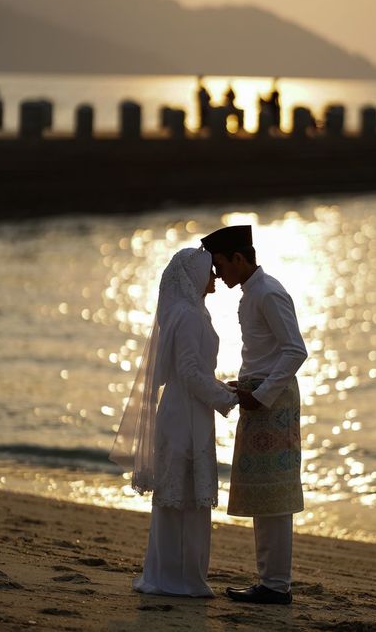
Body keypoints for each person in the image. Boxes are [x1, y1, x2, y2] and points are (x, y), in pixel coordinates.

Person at [110, 247, 237, 597]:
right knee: (183, 498)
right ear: (194, 276)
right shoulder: (190, 316)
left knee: (178, 497)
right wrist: (228, 397)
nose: (214, 277)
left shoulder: (185, 311)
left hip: (184, 409)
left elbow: (191, 370)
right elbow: (190, 372)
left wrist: (221, 388)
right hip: (186, 414)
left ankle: (170, 575)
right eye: (210, 272)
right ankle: (180, 579)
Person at [201, 226, 307, 605]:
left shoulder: (268, 291)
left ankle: (277, 586)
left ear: (240, 259)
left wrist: (261, 394)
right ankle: (270, 582)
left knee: (275, 495)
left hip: (272, 401)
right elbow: (266, 353)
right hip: (260, 397)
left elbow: (296, 350)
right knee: (265, 495)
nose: (217, 274)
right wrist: (243, 384)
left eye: (220, 265)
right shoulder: (251, 293)